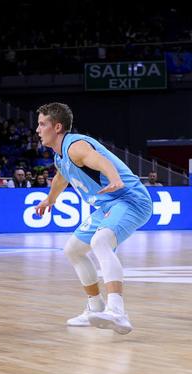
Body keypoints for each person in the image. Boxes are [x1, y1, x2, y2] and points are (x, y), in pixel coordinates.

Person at [34, 102, 152, 335]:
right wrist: (50, 199)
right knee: (73, 250)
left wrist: (114, 178)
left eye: (41, 124)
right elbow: (61, 177)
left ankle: (117, 312)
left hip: (129, 200)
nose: (37, 129)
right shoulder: (60, 156)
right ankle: (95, 307)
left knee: (100, 242)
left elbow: (98, 159)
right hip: (107, 206)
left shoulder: (75, 146)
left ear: (57, 127)